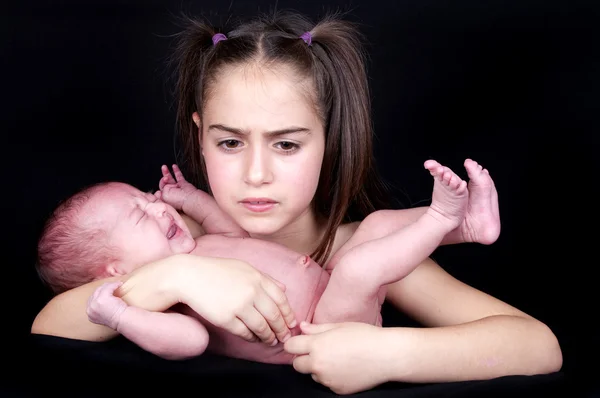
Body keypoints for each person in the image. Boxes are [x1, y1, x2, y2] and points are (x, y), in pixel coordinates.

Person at [31, 10, 562, 395]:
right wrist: (179, 278)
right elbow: (50, 324)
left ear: (328, 141)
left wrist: (389, 354)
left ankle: (451, 222)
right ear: (199, 139)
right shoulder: (181, 236)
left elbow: (537, 346)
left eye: (286, 144)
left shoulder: (359, 247)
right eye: (230, 142)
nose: (256, 174)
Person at [39, 158, 481, 363]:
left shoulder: (198, 247)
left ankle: (463, 228)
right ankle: (441, 214)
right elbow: (188, 343)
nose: (159, 207)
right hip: (321, 328)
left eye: (148, 198)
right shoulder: (163, 301)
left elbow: (231, 232)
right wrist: (118, 313)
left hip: (328, 294)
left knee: (376, 225)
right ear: (115, 270)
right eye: (141, 213)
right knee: (359, 268)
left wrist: (193, 199)